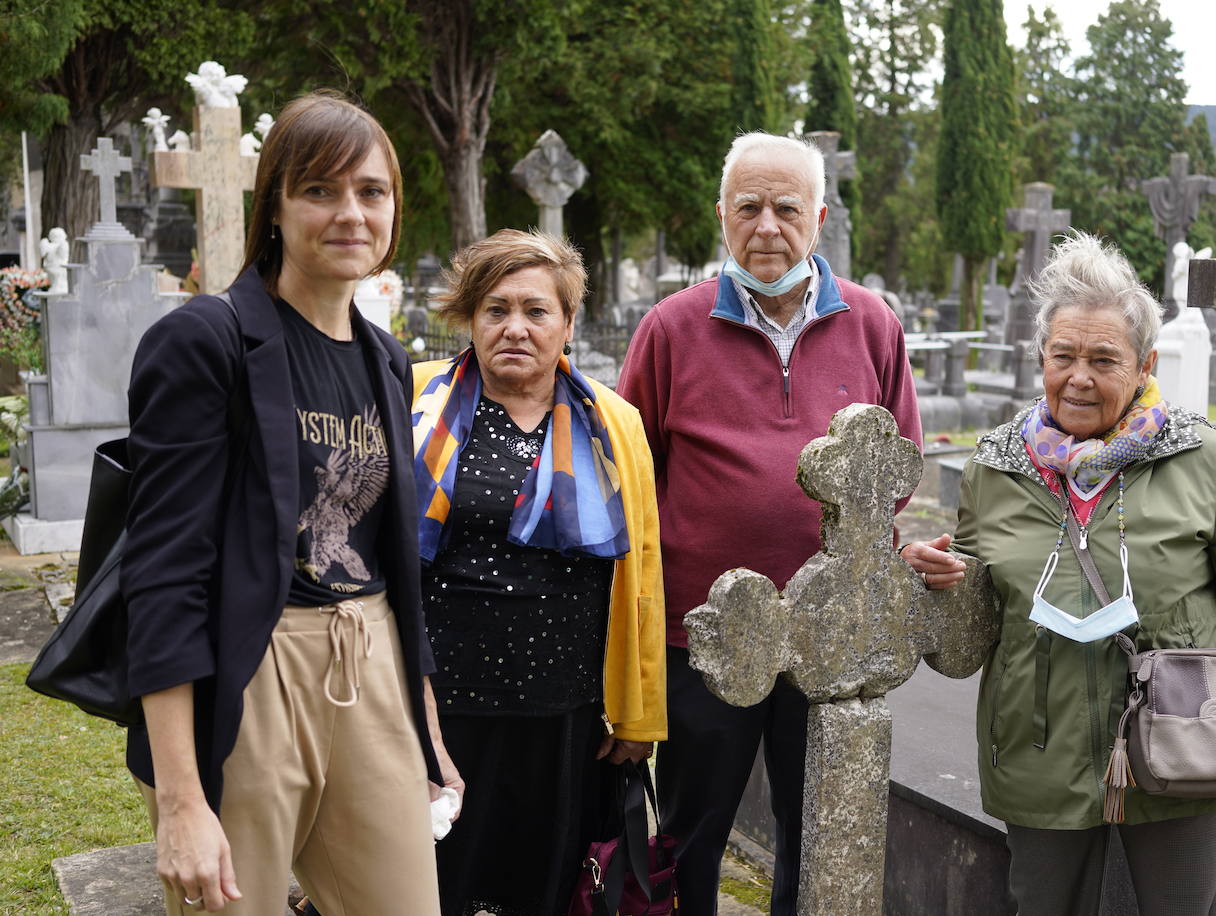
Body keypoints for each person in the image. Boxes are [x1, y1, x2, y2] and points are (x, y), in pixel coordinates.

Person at [905, 232, 1216, 916]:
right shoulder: (995, 469)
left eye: (1104, 359)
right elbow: (972, 632)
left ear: (1145, 363)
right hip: (1038, 748)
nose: (1080, 377)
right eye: (1063, 356)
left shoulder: (1207, 461)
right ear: (1041, 356)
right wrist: (936, 585)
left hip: (1190, 740)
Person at [122, 90, 460, 916]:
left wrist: (425, 727)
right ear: (275, 204)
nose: (350, 214)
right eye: (320, 191)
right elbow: (163, 573)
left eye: (370, 192)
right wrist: (179, 802)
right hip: (252, 675)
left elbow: (392, 555)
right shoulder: (207, 340)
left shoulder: (386, 357)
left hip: (371, 664)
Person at [617, 132, 921, 915]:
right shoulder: (671, 329)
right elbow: (631, 475)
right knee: (691, 832)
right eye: (747, 207)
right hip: (705, 635)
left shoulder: (873, 325)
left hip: (831, 635)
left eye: (786, 208)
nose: (766, 226)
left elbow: (896, 465)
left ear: (818, 218)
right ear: (722, 216)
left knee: (816, 830)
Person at [413, 228, 667, 915]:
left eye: (536, 311)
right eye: (496, 310)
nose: (515, 328)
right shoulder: (416, 402)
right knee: (436, 886)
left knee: (547, 889)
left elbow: (641, 573)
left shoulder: (614, 424)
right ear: (470, 318)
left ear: (568, 324)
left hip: (568, 712)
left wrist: (638, 710)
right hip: (443, 707)